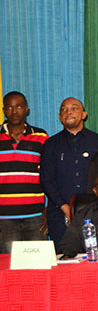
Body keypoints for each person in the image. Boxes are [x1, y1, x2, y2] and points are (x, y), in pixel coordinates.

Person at [40, 97, 98, 246]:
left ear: (84, 114)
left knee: (94, 256)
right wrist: (64, 207)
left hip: (94, 212)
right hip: (59, 213)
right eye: (64, 109)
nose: (68, 112)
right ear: (59, 117)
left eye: (74, 108)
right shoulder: (50, 144)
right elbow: (46, 180)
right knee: (63, 256)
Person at [0, 91, 48, 253]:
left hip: (35, 215)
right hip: (4, 218)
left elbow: (48, 175)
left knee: (38, 263)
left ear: (27, 109)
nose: (14, 111)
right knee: (9, 264)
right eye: (9, 107)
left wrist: (48, 210)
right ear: (4, 110)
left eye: (19, 107)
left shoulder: (41, 136)